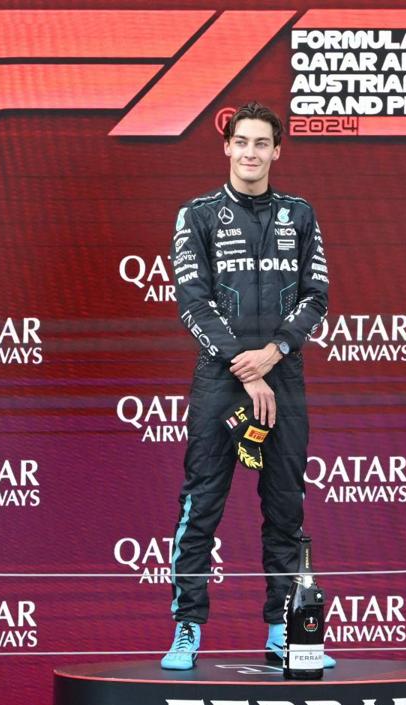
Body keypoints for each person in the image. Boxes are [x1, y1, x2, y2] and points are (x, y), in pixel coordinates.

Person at [160, 102, 333, 670]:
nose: (252, 153)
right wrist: (245, 365)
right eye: (243, 142)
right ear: (227, 147)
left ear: (276, 151)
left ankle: (285, 632)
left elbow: (317, 298)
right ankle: (187, 628)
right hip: (221, 376)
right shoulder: (198, 214)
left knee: (285, 505)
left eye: (262, 144)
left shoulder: (301, 214)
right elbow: (193, 301)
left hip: (283, 373)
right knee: (201, 503)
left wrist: (273, 354)